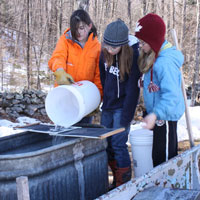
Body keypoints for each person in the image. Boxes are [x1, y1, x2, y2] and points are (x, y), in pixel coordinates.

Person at [135, 13, 185, 167]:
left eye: (143, 42)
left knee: (164, 161)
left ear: (153, 41)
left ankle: (167, 189)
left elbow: (171, 96)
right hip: (157, 115)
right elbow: (156, 81)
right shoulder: (154, 55)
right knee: (156, 157)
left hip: (166, 117)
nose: (140, 46)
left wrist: (156, 114)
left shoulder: (165, 63)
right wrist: (145, 81)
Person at [99, 19, 140, 188]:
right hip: (108, 106)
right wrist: (105, 100)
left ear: (123, 45)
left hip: (123, 107)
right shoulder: (105, 52)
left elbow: (133, 91)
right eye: (107, 46)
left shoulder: (133, 56)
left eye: (113, 48)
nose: (109, 50)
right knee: (105, 144)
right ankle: (115, 180)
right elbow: (103, 76)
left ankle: (123, 184)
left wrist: (125, 119)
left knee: (118, 143)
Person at [48, 9, 102, 123]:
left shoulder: (97, 47)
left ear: (89, 26)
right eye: (75, 28)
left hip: (85, 99)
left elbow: (99, 76)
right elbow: (58, 57)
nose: (78, 32)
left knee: (81, 136)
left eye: (82, 28)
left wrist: (98, 97)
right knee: (63, 135)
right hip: (64, 97)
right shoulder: (66, 40)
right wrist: (60, 71)